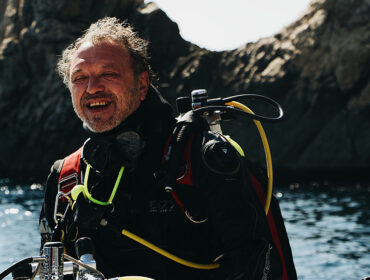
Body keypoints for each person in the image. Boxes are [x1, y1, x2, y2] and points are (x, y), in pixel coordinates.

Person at [39, 17, 296, 280]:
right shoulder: (66, 178)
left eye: (109, 73)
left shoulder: (203, 161)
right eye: (80, 77)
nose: (92, 88)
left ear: (142, 85)